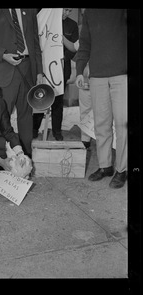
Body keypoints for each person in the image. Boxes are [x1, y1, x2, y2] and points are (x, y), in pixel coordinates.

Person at [0, 9, 44, 157]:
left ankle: (25, 157)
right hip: (4, 70)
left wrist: (39, 71)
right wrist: (3, 55)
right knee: (1, 116)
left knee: (26, 116)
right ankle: (1, 159)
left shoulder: (30, 11)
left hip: (28, 69)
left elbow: (35, 43)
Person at [75, 9, 127, 189]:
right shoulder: (89, 12)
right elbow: (85, 44)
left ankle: (123, 169)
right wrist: (80, 71)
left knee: (123, 125)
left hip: (123, 76)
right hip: (97, 76)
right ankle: (106, 167)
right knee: (101, 124)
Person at [33, 8, 79, 141]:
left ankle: (57, 131)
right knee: (40, 98)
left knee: (58, 101)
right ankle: (34, 129)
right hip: (45, 68)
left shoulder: (72, 25)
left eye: (69, 11)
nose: (66, 13)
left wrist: (61, 53)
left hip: (62, 69)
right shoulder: (45, 18)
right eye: (64, 10)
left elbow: (74, 49)